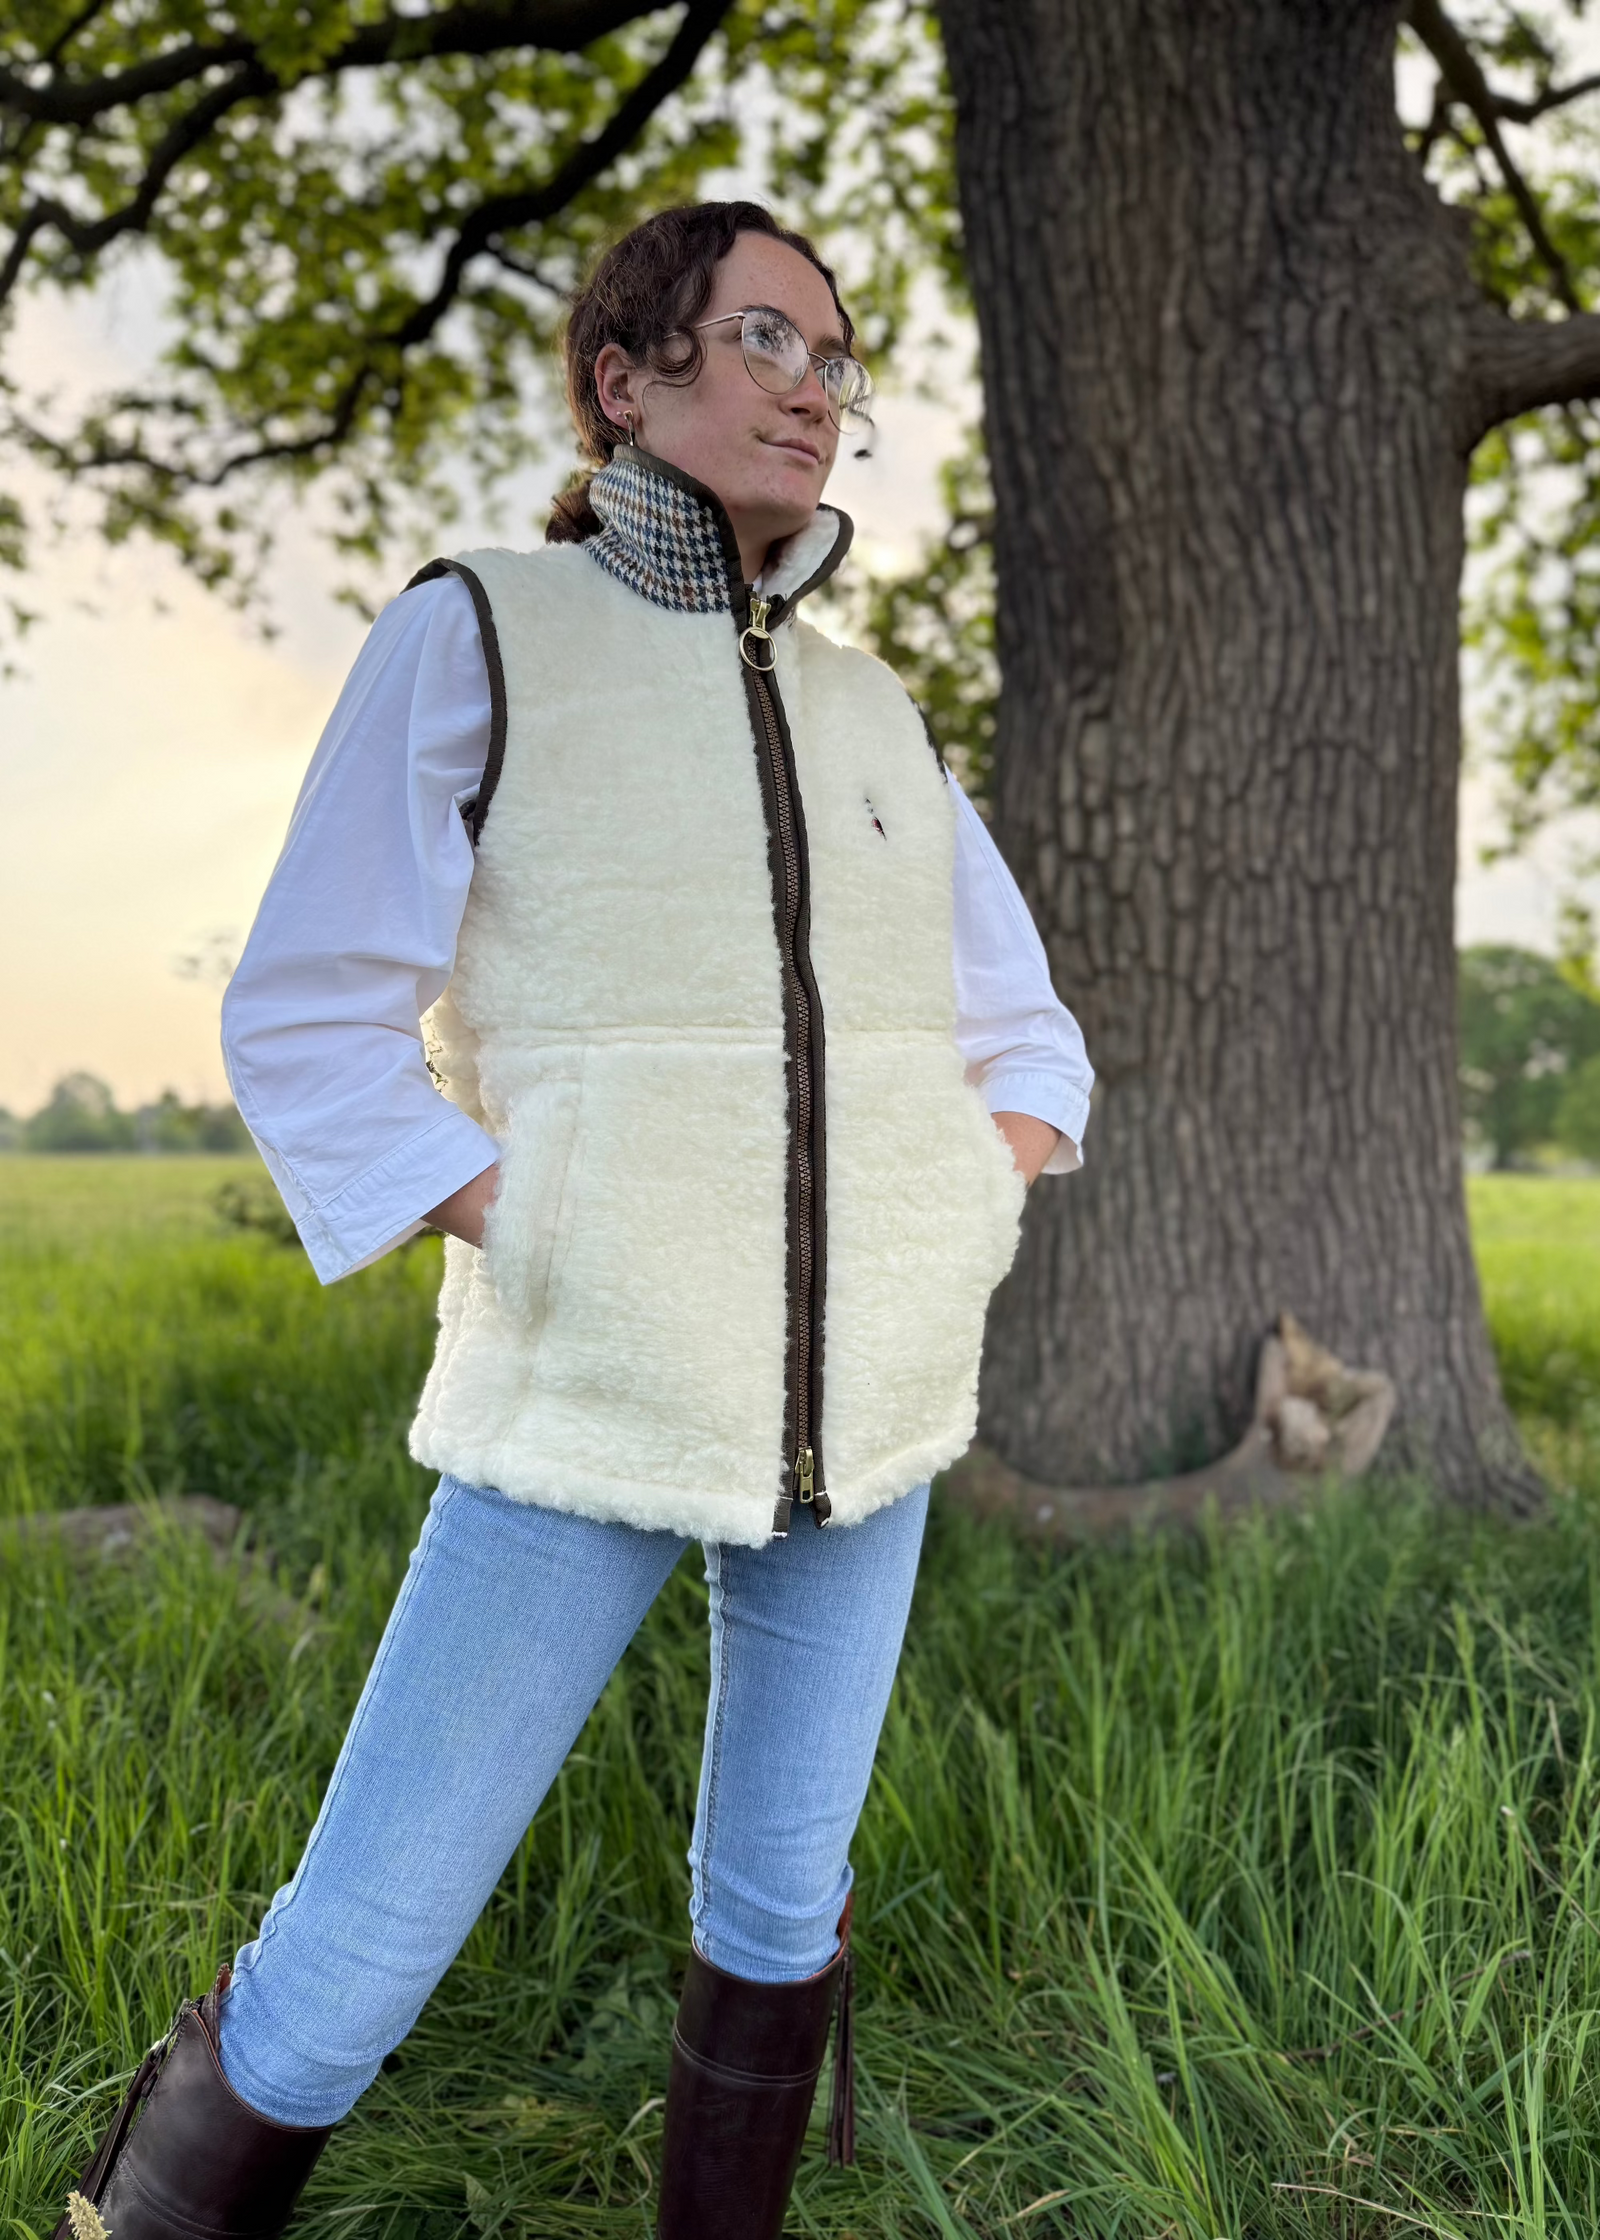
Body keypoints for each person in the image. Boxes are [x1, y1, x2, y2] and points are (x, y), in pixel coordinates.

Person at [53, 200, 1093, 2240]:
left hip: (867, 1410)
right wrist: (538, 1223)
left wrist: (967, 1195)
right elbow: (308, 1010)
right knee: (360, 1940)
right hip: (588, 1388)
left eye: (837, 356)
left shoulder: (879, 714)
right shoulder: (483, 627)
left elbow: (1024, 1028)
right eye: (768, 338)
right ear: (631, 374)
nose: (815, 388)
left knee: (780, 1897)